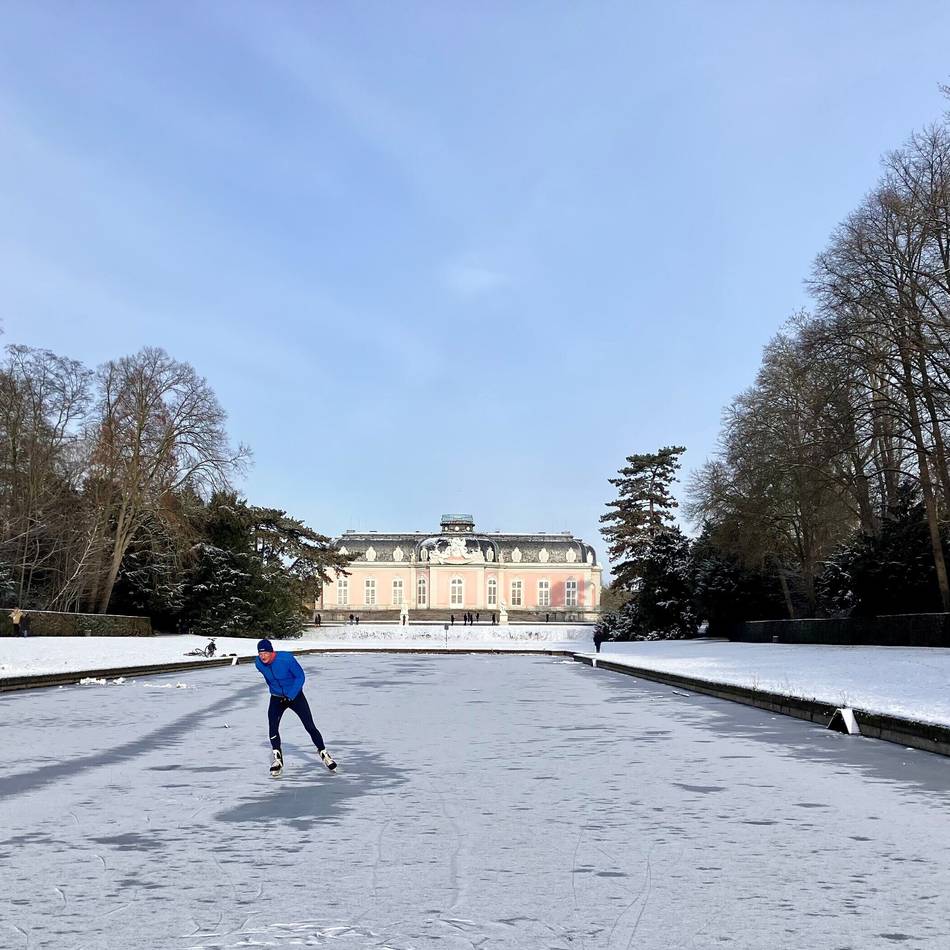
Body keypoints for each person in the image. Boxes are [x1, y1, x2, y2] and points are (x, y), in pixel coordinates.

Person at [255, 638, 336, 776]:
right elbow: (269, 679)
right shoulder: (258, 664)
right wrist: (276, 692)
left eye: (265, 653)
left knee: (309, 726)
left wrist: (291, 695)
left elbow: (300, 677)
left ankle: (324, 753)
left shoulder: (286, 659)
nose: (262, 656)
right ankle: (277, 759)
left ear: (271, 651)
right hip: (276, 698)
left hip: (295, 696)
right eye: (260, 653)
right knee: (272, 727)